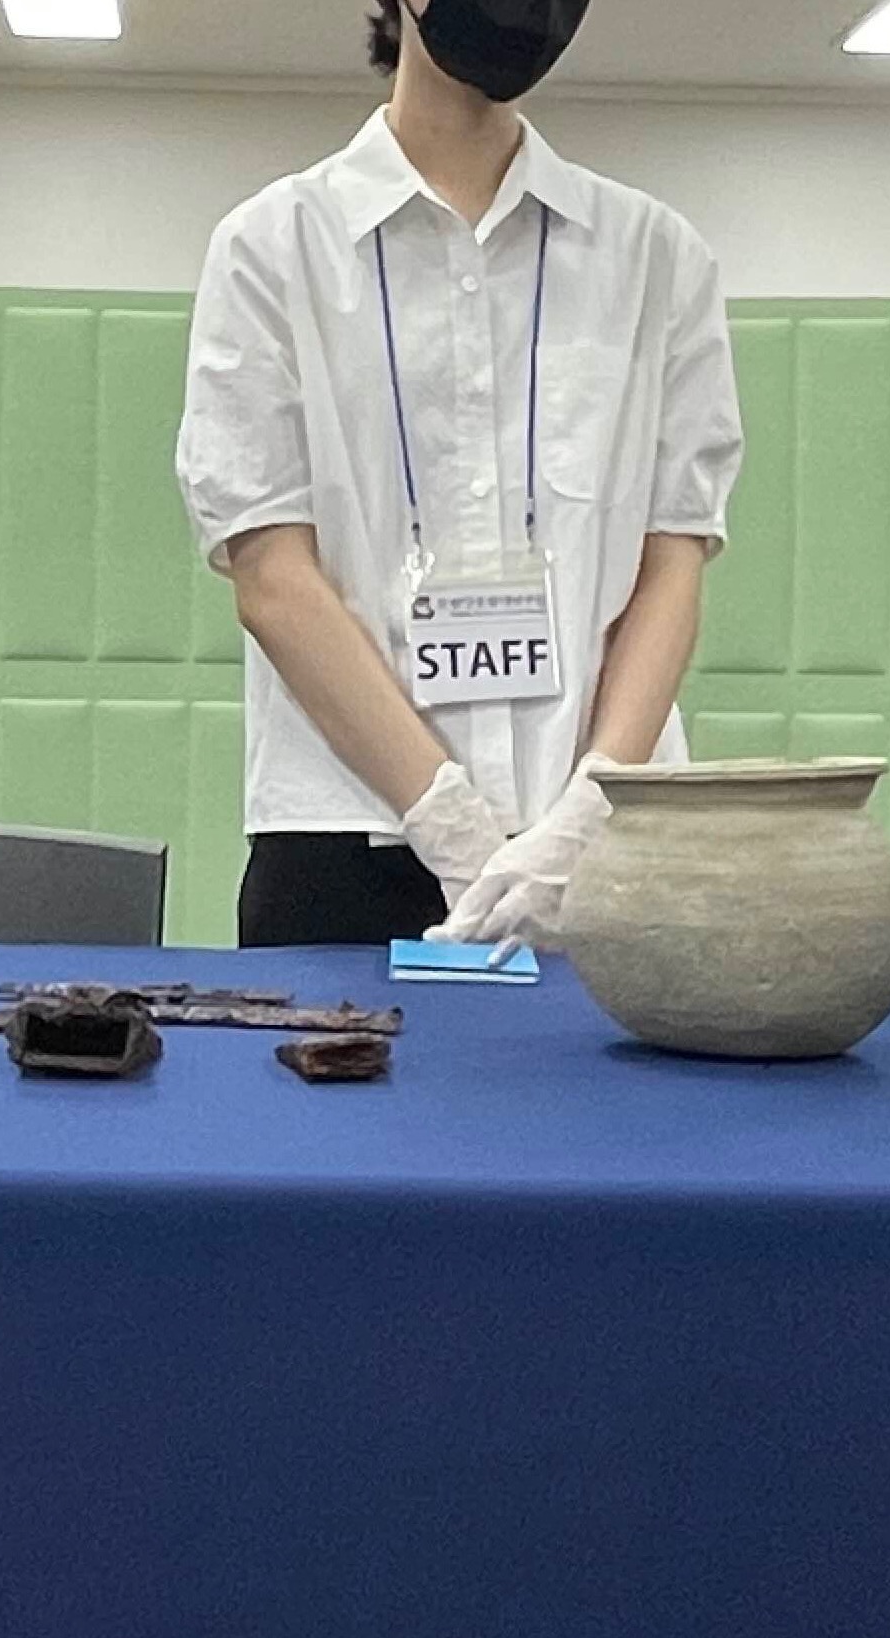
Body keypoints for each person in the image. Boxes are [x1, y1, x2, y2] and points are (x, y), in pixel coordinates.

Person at [176, 0, 744, 950]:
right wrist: (456, 832)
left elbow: (672, 563)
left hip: (605, 838)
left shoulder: (657, 257)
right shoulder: (271, 249)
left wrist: (582, 820)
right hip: (344, 840)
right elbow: (271, 576)